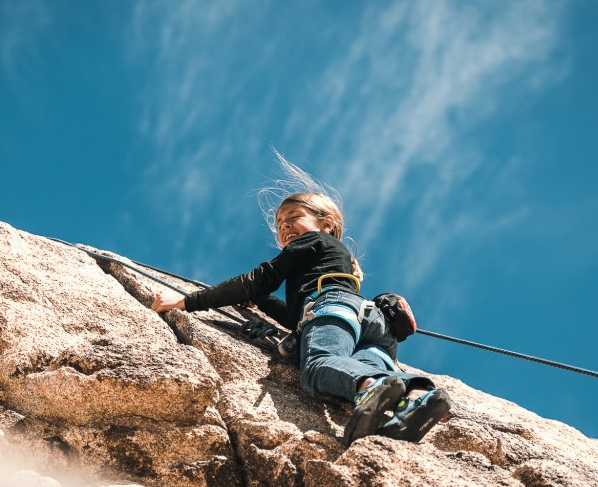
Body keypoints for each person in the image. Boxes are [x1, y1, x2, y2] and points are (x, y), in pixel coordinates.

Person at [150, 155, 451, 445]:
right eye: (280, 224)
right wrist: (262, 302)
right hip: (372, 326)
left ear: (327, 223)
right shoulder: (336, 261)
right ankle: (417, 395)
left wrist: (185, 302)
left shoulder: (316, 240)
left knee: (319, 366)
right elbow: (297, 317)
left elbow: (260, 277)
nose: (284, 226)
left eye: (293, 218)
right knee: (370, 368)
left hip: (335, 309)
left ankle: (369, 388)